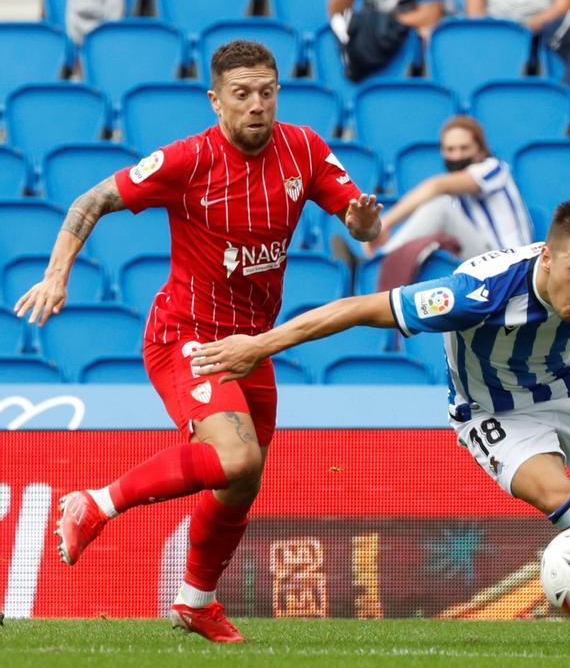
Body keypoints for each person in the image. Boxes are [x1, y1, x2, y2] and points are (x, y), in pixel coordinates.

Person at [189, 201, 570, 646]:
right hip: (494, 411)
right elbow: (359, 309)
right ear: (548, 259)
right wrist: (260, 346)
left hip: (568, 385)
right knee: (561, 499)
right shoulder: (476, 295)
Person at [13, 41, 381, 643]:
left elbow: (364, 224)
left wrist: (365, 223)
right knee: (237, 458)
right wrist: (57, 273)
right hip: (186, 334)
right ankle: (96, 503)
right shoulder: (187, 160)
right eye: (242, 94)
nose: (256, 105)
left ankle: (194, 600)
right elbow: (92, 200)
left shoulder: (305, 149)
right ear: (216, 101)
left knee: (242, 480)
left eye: (266, 91)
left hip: (250, 344)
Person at [364, 116, 533, 260]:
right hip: (477, 265)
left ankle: (380, 262)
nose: (457, 155)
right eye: (450, 149)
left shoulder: (495, 168)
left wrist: (385, 223)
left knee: (438, 207)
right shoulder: (454, 197)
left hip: (510, 263)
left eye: (464, 148)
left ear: (480, 150)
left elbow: (437, 186)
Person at [466, 0, 570, 33]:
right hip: (492, 29)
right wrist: (481, 28)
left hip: (541, 33)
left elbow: (564, 6)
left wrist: (522, 30)